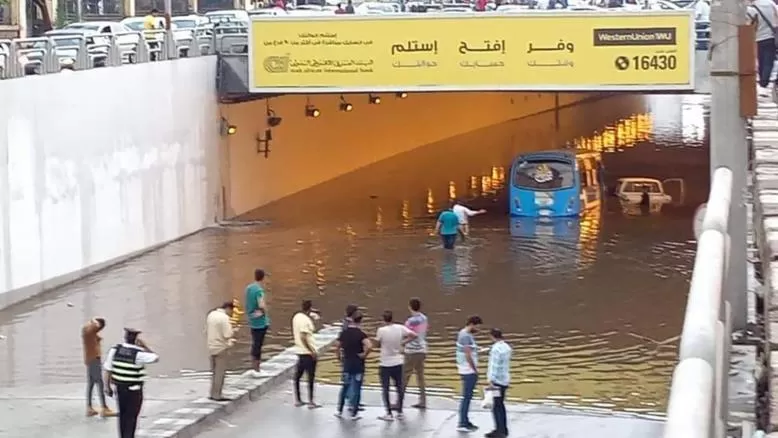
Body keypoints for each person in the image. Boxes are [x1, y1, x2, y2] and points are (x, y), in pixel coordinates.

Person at [103, 328, 159, 438]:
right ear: (136, 340)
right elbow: (156, 358)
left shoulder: (115, 350)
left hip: (119, 389)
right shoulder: (138, 354)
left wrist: (107, 387)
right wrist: (145, 347)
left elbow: (108, 369)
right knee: (131, 417)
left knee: (123, 416)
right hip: (134, 391)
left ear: (125, 338)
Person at [375, 310, 417, 421]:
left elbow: (377, 344)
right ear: (392, 318)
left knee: (385, 388)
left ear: (383, 320)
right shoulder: (400, 328)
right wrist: (403, 343)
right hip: (398, 361)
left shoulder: (381, 331)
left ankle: (388, 413)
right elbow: (414, 335)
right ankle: (400, 411)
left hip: (385, 363)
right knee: (399, 387)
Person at [334, 311, 372, 420]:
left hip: (347, 363)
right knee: (357, 388)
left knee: (345, 386)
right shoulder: (361, 334)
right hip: (358, 364)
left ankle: (339, 410)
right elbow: (369, 346)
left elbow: (336, 346)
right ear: (360, 321)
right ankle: (354, 413)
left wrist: (338, 357)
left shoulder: (344, 333)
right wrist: (364, 355)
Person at [82, 317, 116, 417]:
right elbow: (95, 326)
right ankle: (104, 408)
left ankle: (89, 407)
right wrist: (94, 321)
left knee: (91, 383)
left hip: (90, 359)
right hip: (94, 360)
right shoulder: (89, 331)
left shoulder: (88, 333)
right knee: (99, 383)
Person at [292, 299, 321, 408]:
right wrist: (312, 351)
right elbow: (303, 336)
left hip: (299, 351)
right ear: (310, 308)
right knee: (310, 377)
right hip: (308, 352)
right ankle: (311, 401)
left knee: (298, 376)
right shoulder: (305, 321)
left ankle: (298, 399)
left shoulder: (296, 317)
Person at [455, 315, 483, 433]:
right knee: (466, 397)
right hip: (468, 371)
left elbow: (468, 349)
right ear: (472, 324)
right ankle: (462, 422)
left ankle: (465, 420)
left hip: (465, 369)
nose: (478, 329)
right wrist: (475, 370)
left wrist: (477, 349)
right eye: (477, 327)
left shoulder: (464, 333)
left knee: (468, 396)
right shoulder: (466, 336)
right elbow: (467, 354)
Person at [206, 301, 236, 401]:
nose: (231, 314)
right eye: (232, 312)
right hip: (221, 348)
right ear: (229, 309)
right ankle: (217, 395)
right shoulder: (224, 318)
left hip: (211, 346)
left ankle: (212, 393)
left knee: (214, 372)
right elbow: (227, 334)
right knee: (220, 372)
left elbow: (206, 330)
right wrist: (233, 332)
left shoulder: (211, 314)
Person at [747, 0, 778, 96]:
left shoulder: (751, 7)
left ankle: (762, 83)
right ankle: (764, 83)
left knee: (760, 61)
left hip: (757, 38)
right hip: (771, 37)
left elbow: (748, 24)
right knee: (769, 62)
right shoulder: (771, 3)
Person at [486, 328, 512, 438]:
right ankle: (503, 429)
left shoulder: (496, 349)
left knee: (496, 405)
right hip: (505, 380)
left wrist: (491, 380)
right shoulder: (507, 347)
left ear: (492, 336)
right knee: (501, 404)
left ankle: (499, 430)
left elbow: (494, 366)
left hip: (496, 382)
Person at [403, 297, 428, 409]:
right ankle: (423, 400)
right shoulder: (424, 318)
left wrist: (402, 343)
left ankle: (399, 400)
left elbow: (410, 336)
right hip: (422, 350)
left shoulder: (410, 321)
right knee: (420, 377)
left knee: (404, 376)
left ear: (409, 307)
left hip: (411, 351)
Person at [245, 268, 270, 378]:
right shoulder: (259, 291)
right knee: (258, 345)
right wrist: (265, 312)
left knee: (254, 342)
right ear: (263, 278)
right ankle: (257, 369)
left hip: (252, 319)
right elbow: (261, 305)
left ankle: (253, 366)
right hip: (260, 322)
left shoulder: (249, 288)